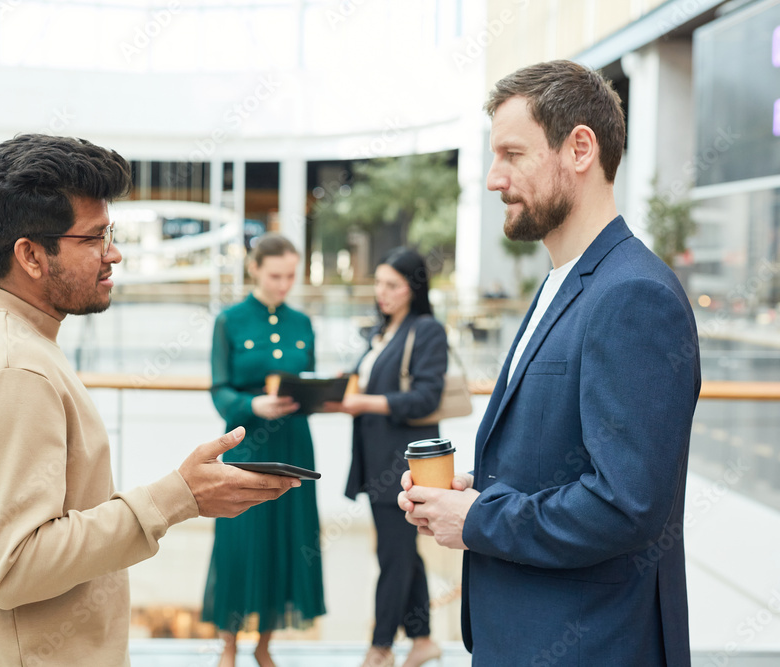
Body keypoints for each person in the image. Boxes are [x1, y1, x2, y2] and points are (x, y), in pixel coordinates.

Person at [0, 134, 301, 666]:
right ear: (30, 254)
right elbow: (16, 566)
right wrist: (177, 497)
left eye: (109, 233)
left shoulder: (7, 341)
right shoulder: (12, 370)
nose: (113, 253)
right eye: (94, 238)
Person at [398, 60, 701, 666]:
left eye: (512, 154)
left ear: (580, 148)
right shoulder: (563, 284)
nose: (492, 179)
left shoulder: (632, 295)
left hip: (590, 645)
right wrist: (470, 497)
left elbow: (625, 504)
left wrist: (481, 519)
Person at [201, 233, 325, 667]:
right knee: (238, 539)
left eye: (291, 276)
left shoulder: (303, 322)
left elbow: (308, 379)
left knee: (287, 538)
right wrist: (253, 404)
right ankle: (229, 645)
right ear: (254, 269)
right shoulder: (230, 321)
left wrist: (318, 395)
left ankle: (265, 645)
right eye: (276, 275)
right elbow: (219, 389)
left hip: (294, 441)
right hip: (244, 442)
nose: (284, 285)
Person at [325, 247, 446, 667]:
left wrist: (364, 403)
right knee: (403, 553)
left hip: (405, 465)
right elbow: (367, 386)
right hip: (377, 459)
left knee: (393, 557)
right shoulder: (381, 332)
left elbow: (425, 397)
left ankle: (380, 648)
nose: (382, 292)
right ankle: (423, 639)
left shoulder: (426, 330)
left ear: (413, 288)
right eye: (378, 283)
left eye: (392, 285)